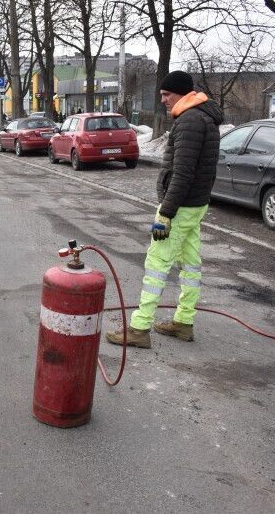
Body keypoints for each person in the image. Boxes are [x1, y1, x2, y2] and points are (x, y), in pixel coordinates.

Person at [106, 70, 223, 348]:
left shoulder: (190, 120)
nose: (163, 101)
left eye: (166, 95)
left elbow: (182, 173)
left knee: (156, 265)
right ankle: (183, 321)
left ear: (182, 93)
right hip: (196, 205)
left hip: (180, 207)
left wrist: (166, 213)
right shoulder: (204, 117)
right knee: (191, 264)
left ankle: (139, 328)